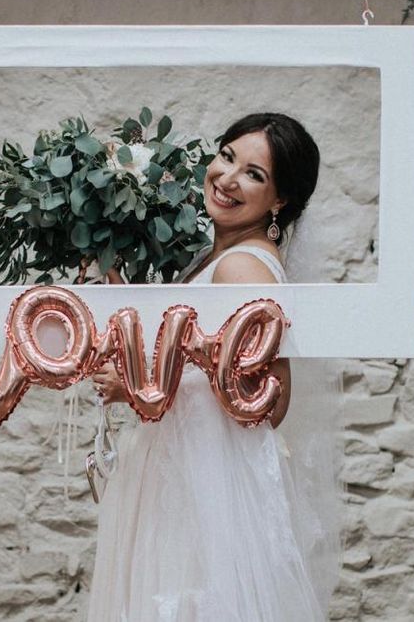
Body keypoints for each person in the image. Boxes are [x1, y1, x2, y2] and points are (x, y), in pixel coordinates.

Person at [86, 113, 339, 621]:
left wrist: (141, 384)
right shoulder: (217, 257)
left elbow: (271, 399)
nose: (226, 178)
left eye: (254, 174)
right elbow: (200, 355)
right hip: (188, 471)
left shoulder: (241, 266)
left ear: (280, 200)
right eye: (226, 157)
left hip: (206, 486)